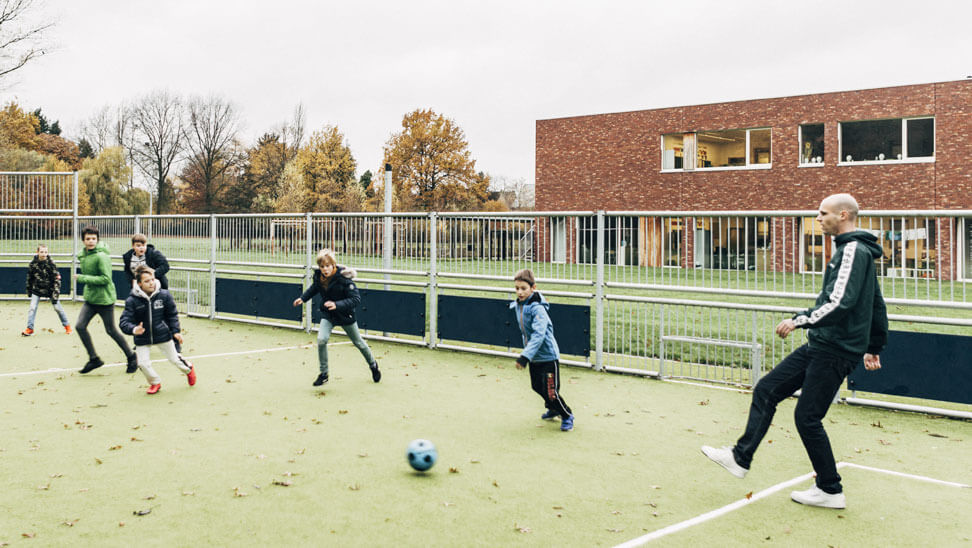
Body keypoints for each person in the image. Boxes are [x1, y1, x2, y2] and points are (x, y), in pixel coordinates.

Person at [701, 193, 888, 509]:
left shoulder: (853, 251)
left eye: (822, 213)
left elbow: (841, 302)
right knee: (767, 390)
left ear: (843, 215)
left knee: (807, 417)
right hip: (824, 345)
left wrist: (800, 320)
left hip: (835, 349)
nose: (818, 218)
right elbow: (876, 303)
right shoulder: (850, 251)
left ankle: (830, 489)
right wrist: (874, 345)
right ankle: (740, 457)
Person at [292, 249, 380, 387]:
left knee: (359, 342)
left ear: (333, 265)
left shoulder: (344, 279)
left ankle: (373, 365)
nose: (325, 269)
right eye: (322, 266)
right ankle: (324, 374)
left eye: (327, 266)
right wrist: (302, 298)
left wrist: (337, 305)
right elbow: (314, 289)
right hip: (329, 315)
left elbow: (356, 299)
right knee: (321, 339)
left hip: (345, 314)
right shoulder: (319, 278)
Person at [510, 268, 574, 432]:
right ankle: (553, 409)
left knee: (551, 392)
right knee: (537, 386)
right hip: (535, 357)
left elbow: (539, 335)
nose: (520, 292)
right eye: (517, 288)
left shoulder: (537, 308)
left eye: (524, 288)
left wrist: (525, 356)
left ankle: (566, 415)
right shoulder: (520, 305)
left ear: (533, 288)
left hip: (547, 357)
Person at [119, 265, 195, 395]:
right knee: (142, 363)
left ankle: (189, 369)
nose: (151, 283)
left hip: (162, 334)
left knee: (175, 359)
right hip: (142, 337)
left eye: (152, 279)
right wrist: (134, 329)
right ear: (139, 284)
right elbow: (124, 321)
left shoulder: (164, 295)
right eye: (147, 281)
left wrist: (176, 331)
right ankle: (155, 382)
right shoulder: (132, 300)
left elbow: (172, 315)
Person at [75, 225, 137, 374]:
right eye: (88, 238)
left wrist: (83, 278)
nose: (91, 241)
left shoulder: (102, 256)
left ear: (97, 239)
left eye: (93, 238)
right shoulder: (83, 255)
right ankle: (94, 359)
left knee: (111, 330)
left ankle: (131, 356)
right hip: (90, 299)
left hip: (104, 299)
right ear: (83, 240)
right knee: (80, 326)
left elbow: (105, 279)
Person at [122, 233, 180, 352]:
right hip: (140, 292)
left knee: (163, 316)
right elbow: (127, 271)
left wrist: (152, 276)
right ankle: (142, 340)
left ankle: (175, 341)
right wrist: (132, 281)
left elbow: (165, 266)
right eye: (138, 245)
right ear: (133, 246)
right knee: (140, 315)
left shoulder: (153, 254)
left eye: (143, 245)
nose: (141, 248)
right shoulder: (128, 257)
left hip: (157, 289)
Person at [22, 244, 71, 336]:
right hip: (37, 290)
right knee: (32, 308)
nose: (44, 254)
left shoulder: (51, 264)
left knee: (58, 308)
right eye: (42, 252)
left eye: (45, 252)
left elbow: (57, 279)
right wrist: (29, 290)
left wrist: (55, 294)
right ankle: (29, 328)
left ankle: (67, 326)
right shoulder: (32, 264)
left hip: (51, 290)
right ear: (37, 252)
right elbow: (30, 278)